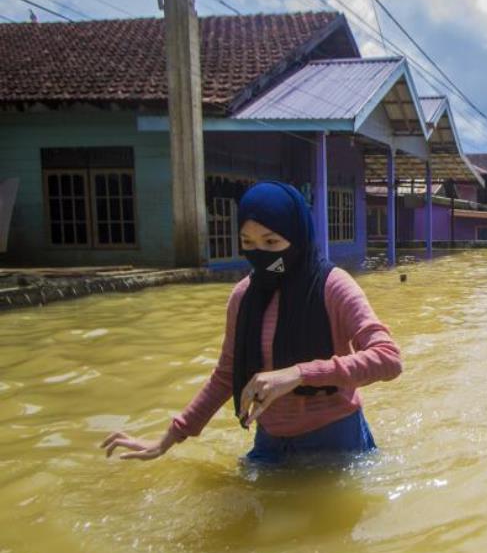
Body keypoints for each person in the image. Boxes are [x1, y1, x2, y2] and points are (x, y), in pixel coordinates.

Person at [100, 182, 402, 466]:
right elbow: (226, 376)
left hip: (335, 442)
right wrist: (168, 438)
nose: (260, 254)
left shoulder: (332, 286)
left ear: (296, 236)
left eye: (271, 242)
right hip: (270, 443)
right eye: (248, 243)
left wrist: (299, 374)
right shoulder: (244, 296)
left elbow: (388, 359)